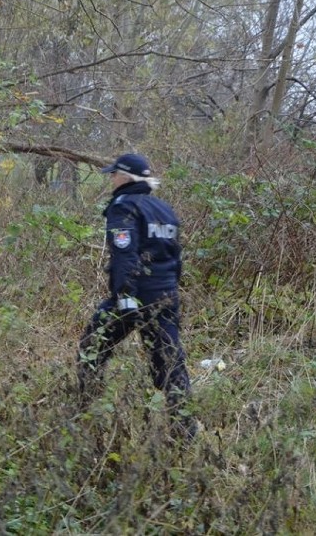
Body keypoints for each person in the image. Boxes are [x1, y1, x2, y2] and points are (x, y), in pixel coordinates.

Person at [78, 153, 197, 440]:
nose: (111, 178)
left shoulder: (124, 207)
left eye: (113, 174)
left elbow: (125, 253)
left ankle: (84, 416)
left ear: (125, 177)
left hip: (135, 294)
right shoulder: (164, 209)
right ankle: (185, 434)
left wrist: (125, 297)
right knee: (170, 363)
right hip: (166, 294)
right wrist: (169, 291)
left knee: (92, 347)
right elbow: (176, 257)